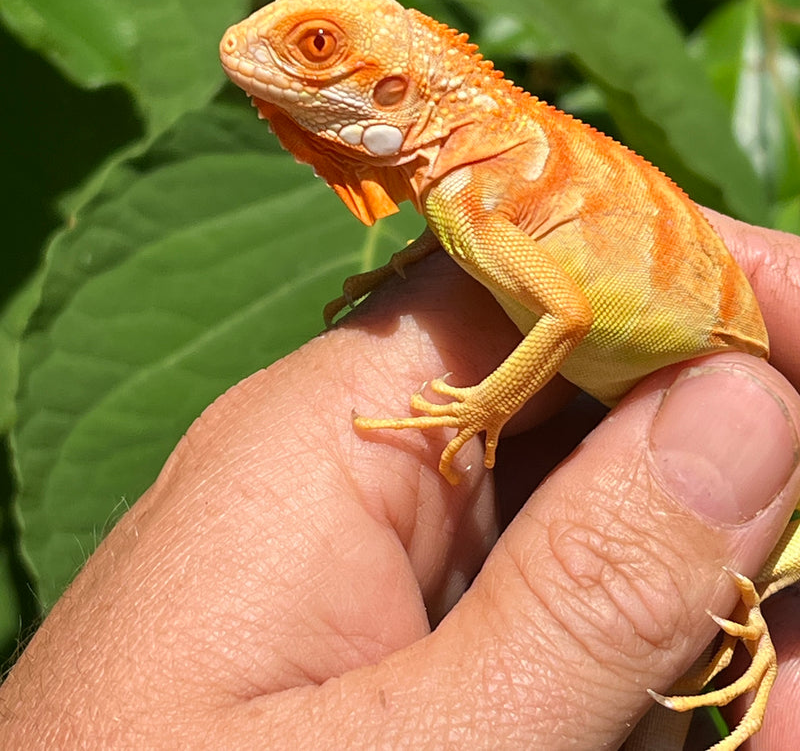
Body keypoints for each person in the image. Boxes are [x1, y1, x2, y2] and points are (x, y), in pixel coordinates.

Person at [0, 210, 798, 749]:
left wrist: (485, 405)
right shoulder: (465, 205)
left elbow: (567, 311)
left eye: (319, 52)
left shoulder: (480, 201)